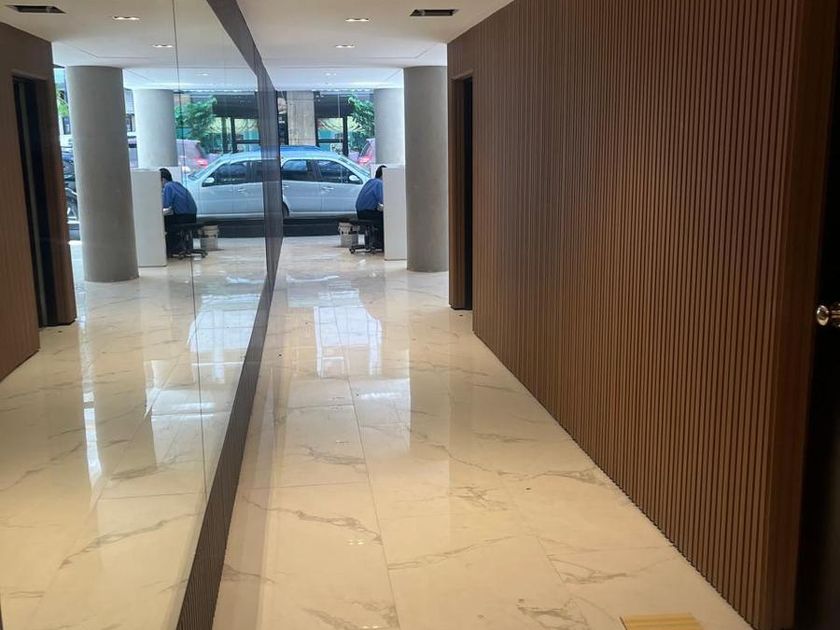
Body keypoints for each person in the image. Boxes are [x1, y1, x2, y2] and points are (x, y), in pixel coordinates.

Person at [160, 168, 198, 257]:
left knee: (161, 223)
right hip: (192, 217)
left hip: (183, 217)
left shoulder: (168, 186)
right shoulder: (177, 184)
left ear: (162, 179)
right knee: (168, 221)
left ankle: (170, 249)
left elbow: (165, 204)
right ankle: (177, 247)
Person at [355, 165, 386, 249]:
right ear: (384, 175)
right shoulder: (379, 183)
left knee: (381, 216)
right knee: (387, 219)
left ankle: (376, 242)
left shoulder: (370, 181)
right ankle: (381, 243)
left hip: (360, 213)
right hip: (367, 213)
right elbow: (383, 200)